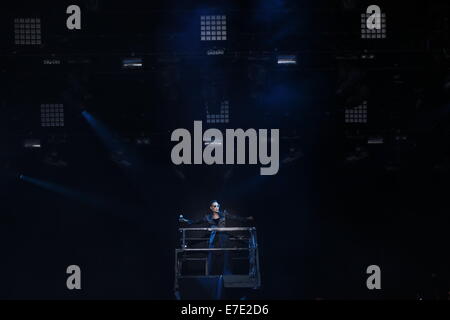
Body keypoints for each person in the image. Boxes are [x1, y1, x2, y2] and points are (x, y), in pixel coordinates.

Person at [179, 200, 253, 275]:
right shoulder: (208, 217)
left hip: (223, 238)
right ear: (211, 208)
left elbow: (235, 217)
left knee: (226, 257)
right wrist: (186, 220)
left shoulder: (223, 214)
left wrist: (246, 219)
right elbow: (197, 221)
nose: (217, 207)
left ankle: (227, 275)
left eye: (218, 206)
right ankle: (211, 275)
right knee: (212, 257)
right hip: (214, 239)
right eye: (215, 206)